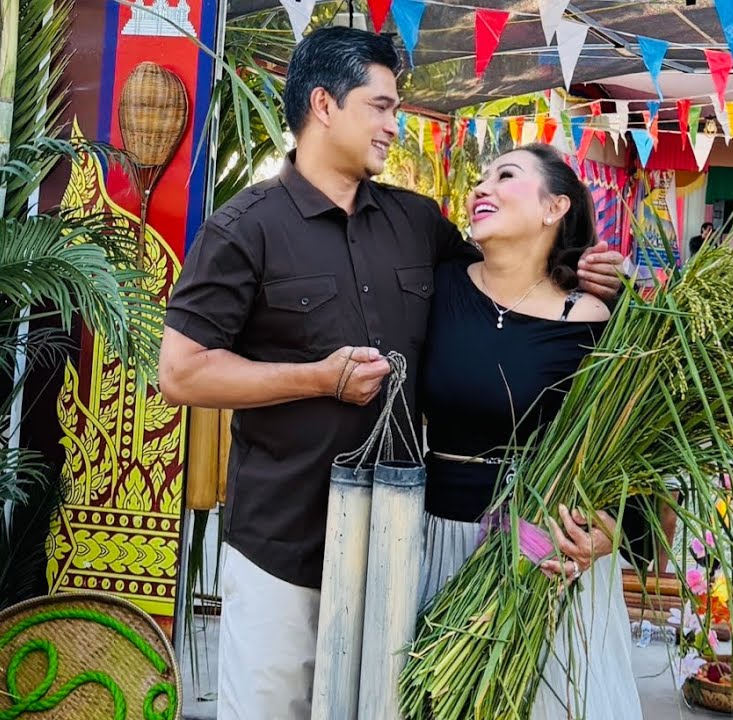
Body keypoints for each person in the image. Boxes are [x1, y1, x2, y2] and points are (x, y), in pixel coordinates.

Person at [156, 28, 624, 720]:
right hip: (286, 543)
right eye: (379, 106)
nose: (393, 124)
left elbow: (510, 285)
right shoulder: (243, 228)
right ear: (323, 104)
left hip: (403, 548)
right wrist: (318, 378)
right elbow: (182, 374)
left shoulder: (416, 223)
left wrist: (582, 271)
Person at [419, 143, 640, 719]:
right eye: (481, 177)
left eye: (506, 175)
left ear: (554, 208)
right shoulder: (435, 287)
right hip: (435, 543)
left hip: (543, 556)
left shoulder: (592, 318)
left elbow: (625, 448)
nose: (481, 187)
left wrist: (607, 531)